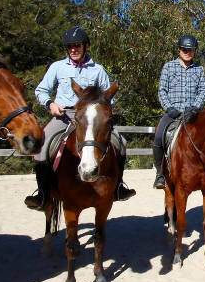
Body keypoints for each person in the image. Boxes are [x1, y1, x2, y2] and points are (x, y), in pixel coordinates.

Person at [24, 27, 135, 210]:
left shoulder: (98, 70)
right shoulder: (58, 67)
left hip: (92, 118)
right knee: (42, 146)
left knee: (121, 142)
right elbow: (41, 90)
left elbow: (109, 97)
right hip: (65, 115)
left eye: (77, 46)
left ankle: (118, 186)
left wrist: (102, 112)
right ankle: (42, 193)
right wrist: (51, 104)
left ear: (86, 46)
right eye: (69, 47)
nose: (73, 50)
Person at [152, 34, 205, 189]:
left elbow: (202, 91)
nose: (187, 52)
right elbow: (162, 90)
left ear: (195, 51)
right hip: (172, 112)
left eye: (190, 50)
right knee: (158, 136)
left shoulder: (199, 69)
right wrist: (169, 108)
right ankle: (160, 173)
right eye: (184, 49)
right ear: (179, 49)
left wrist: (196, 107)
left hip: (194, 113)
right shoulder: (168, 67)